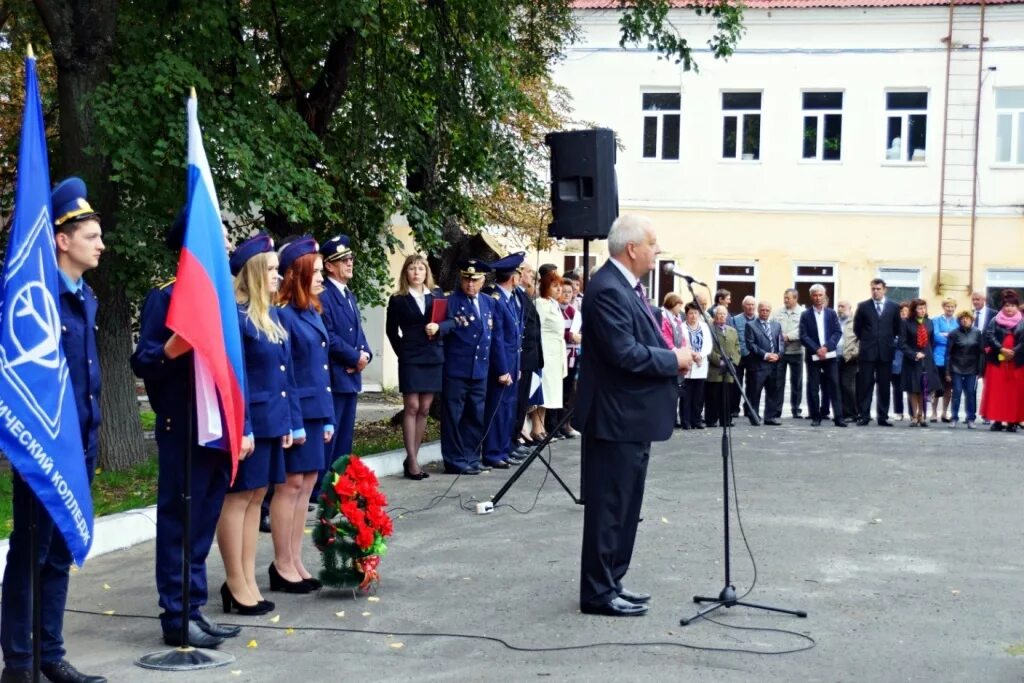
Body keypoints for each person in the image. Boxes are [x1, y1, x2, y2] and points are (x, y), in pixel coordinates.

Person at [1, 178, 108, 683]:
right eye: (92, 236)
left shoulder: (85, 297)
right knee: (31, 553)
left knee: (61, 552)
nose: (101, 244)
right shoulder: (38, 299)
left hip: (79, 446)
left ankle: (50, 654)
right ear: (62, 240)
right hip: (44, 449)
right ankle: (19, 664)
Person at [131, 211, 241, 648]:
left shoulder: (219, 299)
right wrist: (172, 350)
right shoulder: (166, 298)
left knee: (203, 521)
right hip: (183, 426)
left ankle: (194, 607)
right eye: (215, 240)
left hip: (217, 426)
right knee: (180, 519)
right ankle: (175, 616)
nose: (224, 247)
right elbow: (142, 360)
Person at [575, 215, 691, 617]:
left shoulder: (629, 288)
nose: (658, 252)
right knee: (609, 508)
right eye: (653, 245)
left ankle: (612, 582)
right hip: (613, 418)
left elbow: (642, 342)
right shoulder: (607, 289)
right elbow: (624, 353)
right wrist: (672, 359)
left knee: (625, 507)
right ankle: (597, 593)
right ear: (632, 249)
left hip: (631, 417)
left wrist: (671, 358)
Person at [218, 234, 301, 616]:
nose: (277, 274)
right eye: (270, 268)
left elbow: (282, 377)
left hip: (271, 423)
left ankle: (247, 580)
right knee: (238, 500)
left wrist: (285, 421)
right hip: (250, 424)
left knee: (256, 501)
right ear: (252, 272)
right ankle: (235, 583)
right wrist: (244, 427)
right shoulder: (236, 318)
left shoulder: (267, 316)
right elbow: (239, 380)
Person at [271, 236, 334, 592]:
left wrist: (326, 416)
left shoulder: (311, 310)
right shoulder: (283, 315)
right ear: (298, 274)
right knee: (290, 485)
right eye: (318, 272)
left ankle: (295, 558)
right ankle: (282, 564)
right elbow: (287, 375)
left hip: (314, 410)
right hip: (296, 413)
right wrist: (294, 421)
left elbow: (319, 370)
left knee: (307, 484)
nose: (323, 278)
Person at [440, 259, 506, 474]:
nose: (470, 284)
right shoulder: (450, 301)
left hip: (480, 369)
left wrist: (501, 368)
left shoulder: (488, 302)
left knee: (475, 415)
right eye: (466, 279)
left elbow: (493, 337)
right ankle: (454, 460)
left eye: (475, 280)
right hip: (457, 369)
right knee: (454, 416)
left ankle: (470, 456)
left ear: (483, 280)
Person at [385, 255, 445, 479]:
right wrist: (403, 353)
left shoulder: (437, 295)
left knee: (425, 408)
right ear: (406, 273)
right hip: (411, 357)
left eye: (421, 268)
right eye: (412, 268)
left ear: (426, 272)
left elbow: (449, 321)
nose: (417, 272)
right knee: (411, 406)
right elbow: (391, 331)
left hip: (433, 356)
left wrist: (439, 328)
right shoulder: (398, 299)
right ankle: (412, 462)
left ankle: (413, 457)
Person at [318, 236, 371, 486]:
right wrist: (354, 357)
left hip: (351, 375)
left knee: (344, 438)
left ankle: (337, 484)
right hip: (336, 374)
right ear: (329, 266)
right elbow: (328, 335)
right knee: (331, 434)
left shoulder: (348, 294)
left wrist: (366, 355)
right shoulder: (325, 294)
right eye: (343, 260)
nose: (350, 263)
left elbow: (357, 333)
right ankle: (322, 486)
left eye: (350, 258)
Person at [481, 252, 525, 468]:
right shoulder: (495, 299)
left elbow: (515, 336)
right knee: (497, 409)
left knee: (508, 408)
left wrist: (516, 365)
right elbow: (497, 338)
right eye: (519, 273)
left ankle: (504, 447)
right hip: (501, 363)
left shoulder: (510, 298)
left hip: (512, 361)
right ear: (513, 277)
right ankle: (492, 452)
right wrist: (502, 369)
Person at [853, 278, 901, 426]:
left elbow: (896, 328)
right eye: (873, 289)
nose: (876, 291)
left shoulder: (893, 307)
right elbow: (857, 328)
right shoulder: (863, 306)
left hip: (886, 351)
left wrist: (888, 342)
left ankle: (883, 416)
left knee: (884, 386)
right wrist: (868, 341)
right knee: (865, 384)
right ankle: (864, 415)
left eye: (878, 289)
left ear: (884, 290)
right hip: (867, 352)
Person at [799, 284, 846, 427]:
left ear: (824, 296)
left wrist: (826, 347)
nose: (818, 298)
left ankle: (838, 417)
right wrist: (816, 349)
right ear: (811, 296)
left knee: (834, 385)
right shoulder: (805, 315)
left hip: (830, 355)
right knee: (813, 386)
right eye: (815, 295)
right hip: (813, 356)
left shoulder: (831, 313)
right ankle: (815, 416)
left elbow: (837, 332)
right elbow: (803, 335)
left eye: (820, 295)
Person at [980, 289, 1024, 432]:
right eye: (1006, 305)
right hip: (997, 362)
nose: (1009, 308)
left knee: (1014, 394)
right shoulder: (995, 320)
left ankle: (1012, 422)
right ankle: (997, 420)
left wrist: (1014, 351)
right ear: (1002, 307)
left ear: (1017, 307)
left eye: (1012, 305)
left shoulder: (1022, 321)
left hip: (1016, 362)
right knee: (997, 393)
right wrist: (1001, 349)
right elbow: (989, 336)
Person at [513, 262, 543, 454]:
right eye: (529, 272)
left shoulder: (524, 296)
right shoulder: (517, 296)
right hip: (520, 358)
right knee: (516, 403)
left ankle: (514, 438)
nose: (533, 275)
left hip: (529, 358)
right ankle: (512, 439)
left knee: (522, 402)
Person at [535, 270, 568, 440]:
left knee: (551, 392)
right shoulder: (541, 303)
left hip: (555, 353)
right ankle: (537, 427)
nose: (558, 290)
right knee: (544, 391)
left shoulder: (554, 304)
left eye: (559, 286)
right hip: (546, 353)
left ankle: (542, 427)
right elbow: (537, 329)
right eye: (554, 286)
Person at [900, 298, 942, 427]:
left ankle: (922, 416)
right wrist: (914, 354)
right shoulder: (906, 323)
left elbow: (932, 342)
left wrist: (927, 354)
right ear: (914, 310)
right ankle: (913, 416)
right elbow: (902, 343)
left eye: (924, 308)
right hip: (912, 360)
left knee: (924, 388)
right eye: (919, 308)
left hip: (926, 359)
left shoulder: (929, 322)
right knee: (913, 389)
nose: (922, 310)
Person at [744, 300, 784, 425]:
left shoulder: (776, 325)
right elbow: (751, 344)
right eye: (762, 310)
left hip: (774, 365)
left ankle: (770, 417)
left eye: (767, 310)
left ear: (770, 311)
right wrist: (766, 355)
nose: (765, 312)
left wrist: (778, 355)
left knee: (773, 392)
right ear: (758, 310)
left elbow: (781, 342)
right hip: (758, 365)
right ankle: (754, 416)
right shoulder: (751, 325)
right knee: (755, 392)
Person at [946, 309, 984, 428]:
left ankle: (971, 418)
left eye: (967, 318)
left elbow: (981, 353)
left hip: (972, 368)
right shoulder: (953, 333)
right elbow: (948, 354)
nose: (965, 320)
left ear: (972, 320)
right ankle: (954, 418)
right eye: (962, 318)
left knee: (970, 393)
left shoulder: (977, 333)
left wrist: (980, 370)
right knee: (956, 393)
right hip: (956, 367)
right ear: (959, 321)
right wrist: (947, 372)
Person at [705, 306, 740, 428]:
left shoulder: (732, 331)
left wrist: (733, 361)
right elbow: (708, 348)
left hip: (729, 369)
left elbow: (737, 348)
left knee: (727, 397)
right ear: (714, 315)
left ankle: (726, 420)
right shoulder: (709, 330)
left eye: (724, 314)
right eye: (719, 314)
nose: (722, 316)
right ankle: (711, 419)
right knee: (713, 396)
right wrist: (719, 360)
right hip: (715, 369)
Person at [773, 288, 805, 418]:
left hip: (796, 351)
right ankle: (777, 409)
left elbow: (802, 329)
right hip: (781, 352)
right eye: (784, 297)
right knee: (778, 382)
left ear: (795, 299)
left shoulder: (803, 313)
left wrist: (788, 337)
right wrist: (781, 337)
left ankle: (796, 409)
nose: (785, 300)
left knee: (796, 382)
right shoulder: (778, 312)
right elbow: (773, 327)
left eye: (788, 298)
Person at [681, 302, 712, 429]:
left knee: (698, 396)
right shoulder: (682, 327)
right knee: (686, 396)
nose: (693, 316)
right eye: (690, 313)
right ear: (686, 314)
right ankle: (686, 421)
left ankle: (697, 420)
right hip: (687, 363)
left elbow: (708, 345)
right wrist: (693, 356)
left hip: (701, 364)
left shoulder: (704, 326)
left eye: (695, 313)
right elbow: (681, 344)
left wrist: (701, 355)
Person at [558, 279, 582, 438]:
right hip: (559, 355)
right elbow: (566, 334)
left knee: (568, 392)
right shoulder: (555, 309)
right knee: (557, 392)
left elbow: (576, 335)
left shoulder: (575, 312)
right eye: (563, 291)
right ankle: (555, 424)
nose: (566, 295)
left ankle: (566, 423)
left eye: (569, 292)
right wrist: (571, 336)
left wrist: (574, 337)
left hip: (572, 356)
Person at [660, 292, 687, 427]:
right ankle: (667, 417)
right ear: (672, 304)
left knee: (676, 389)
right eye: (678, 305)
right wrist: (674, 350)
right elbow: (664, 336)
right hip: (669, 355)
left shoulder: (677, 319)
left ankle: (673, 417)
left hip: (677, 357)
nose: (680, 309)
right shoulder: (663, 317)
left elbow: (682, 338)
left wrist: (683, 349)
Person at [930, 297, 958, 423]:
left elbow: (958, 339)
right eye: (948, 306)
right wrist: (949, 337)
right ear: (944, 307)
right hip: (938, 357)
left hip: (952, 358)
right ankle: (934, 412)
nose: (950, 309)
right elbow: (935, 337)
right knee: (936, 386)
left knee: (948, 388)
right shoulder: (935, 320)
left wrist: (945, 335)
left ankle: (945, 412)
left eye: (952, 307)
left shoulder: (958, 321)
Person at [731, 296, 757, 418]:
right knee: (737, 384)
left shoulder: (758, 319)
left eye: (752, 305)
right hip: (739, 355)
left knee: (752, 384)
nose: (750, 307)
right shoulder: (735, 319)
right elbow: (733, 337)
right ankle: (735, 409)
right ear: (743, 306)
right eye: (748, 304)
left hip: (754, 356)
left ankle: (749, 409)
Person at [836, 300, 859, 423]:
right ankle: (842, 413)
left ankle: (852, 413)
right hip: (835, 357)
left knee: (847, 386)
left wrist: (854, 353)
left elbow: (860, 340)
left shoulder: (855, 322)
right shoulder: (835, 321)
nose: (840, 309)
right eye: (838, 306)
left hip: (849, 358)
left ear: (850, 308)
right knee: (838, 386)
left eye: (843, 306)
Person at [890, 302, 911, 421]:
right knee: (897, 388)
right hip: (896, 362)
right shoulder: (894, 327)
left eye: (906, 312)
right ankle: (899, 412)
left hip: (909, 361)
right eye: (901, 312)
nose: (903, 314)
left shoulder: (912, 327)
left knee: (911, 388)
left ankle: (913, 412)